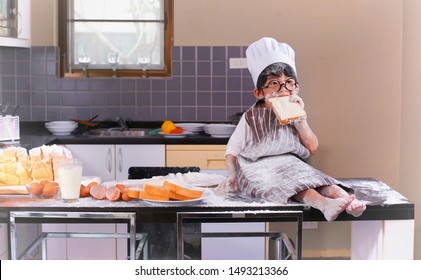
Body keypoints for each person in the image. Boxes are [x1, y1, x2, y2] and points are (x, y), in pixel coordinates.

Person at [223, 37, 366, 221]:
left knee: (317, 179)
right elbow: (232, 149)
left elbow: (312, 147)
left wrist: (301, 121)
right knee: (298, 186)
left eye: (289, 82)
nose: (283, 89)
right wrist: (232, 175)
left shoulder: (296, 114)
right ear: (259, 92)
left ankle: (347, 200)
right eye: (274, 83)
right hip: (259, 167)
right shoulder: (251, 117)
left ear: (296, 88)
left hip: (291, 163)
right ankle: (323, 204)